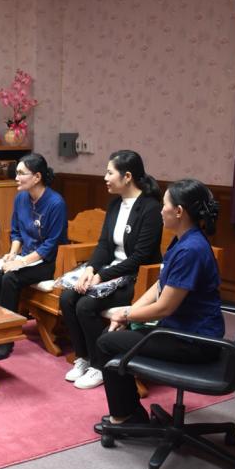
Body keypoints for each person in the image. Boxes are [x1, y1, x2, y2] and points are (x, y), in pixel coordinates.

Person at [96, 179, 224, 427]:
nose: (160, 210)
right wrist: (128, 313)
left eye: (164, 204)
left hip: (193, 342)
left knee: (106, 342)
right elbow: (160, 285)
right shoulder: (183, 240)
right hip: (178, 331)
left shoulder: (191, 250)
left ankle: (126, 417)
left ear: (179, 211)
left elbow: (165, 307)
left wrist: (125, 315)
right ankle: (129, 412)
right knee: (111, 336)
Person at [59, 150, 163, 389]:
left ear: (127, 177)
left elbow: (139, 258)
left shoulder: (150, 209)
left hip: (135, 278)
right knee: (67, 298)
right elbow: (104, 245)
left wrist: (100, 276)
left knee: (85, 306)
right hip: (109, 272)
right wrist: (91, 269)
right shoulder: (115, 204)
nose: (105, 178)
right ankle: (83, 357)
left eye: (109, 173)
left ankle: (100, 365)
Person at [0, 153, 68, 360]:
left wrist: (20, 262)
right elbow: (16, 232)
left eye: (21, 173)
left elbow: (51, 245)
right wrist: (12, 254)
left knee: (10, 278)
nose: (16, 177)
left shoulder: (56, 203)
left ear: (37, 177)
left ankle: (6, 338)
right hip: (26, 257)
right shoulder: (21, 198)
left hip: (49, 262)